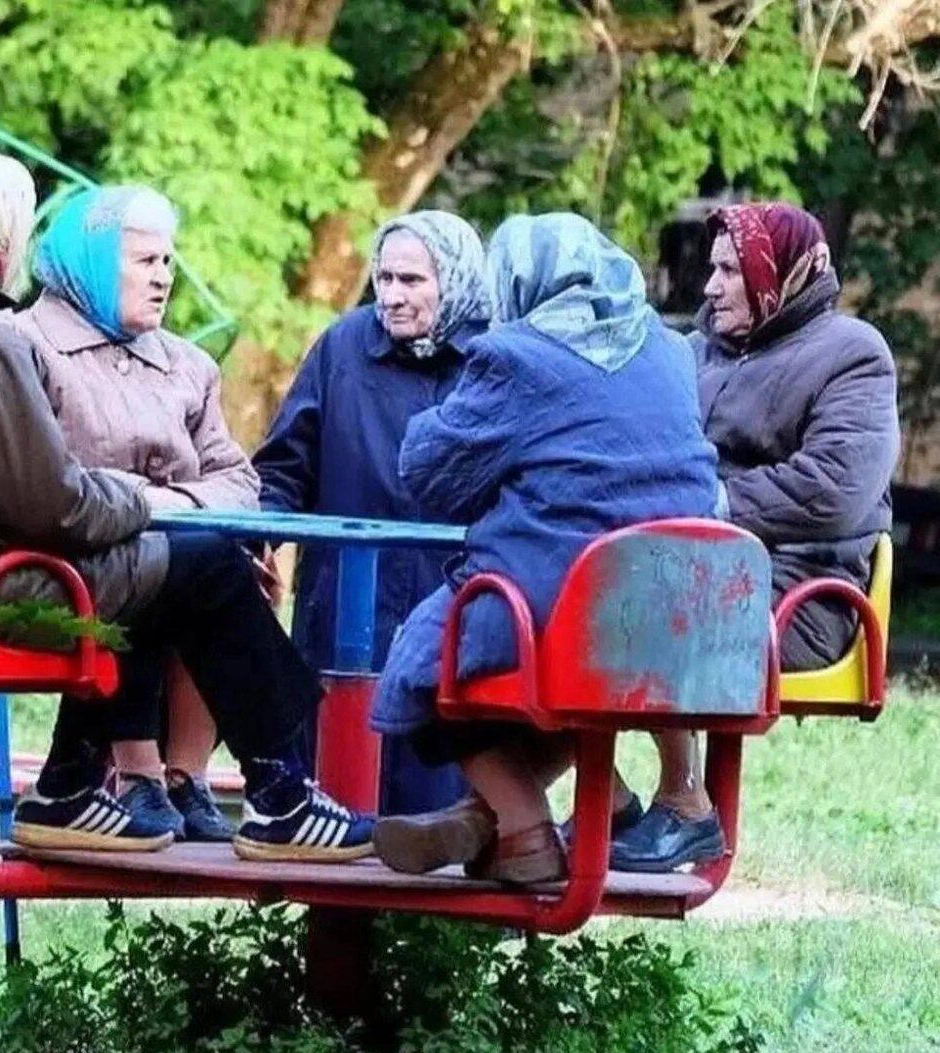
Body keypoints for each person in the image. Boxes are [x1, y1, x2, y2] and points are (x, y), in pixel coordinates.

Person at [0, 149, 374, 863]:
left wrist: (133, 515)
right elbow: (56, 509)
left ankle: (68, 785)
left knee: (163, 567)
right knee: (208, 566)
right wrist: (142, 503)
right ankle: (283, 794)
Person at [368, 212, 718, 885]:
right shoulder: (671, 350)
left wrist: (445, 424)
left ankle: (521, 822)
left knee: (426, 658)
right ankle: (552, 809)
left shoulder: (518, 355)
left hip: (559, 594)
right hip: (684, 597)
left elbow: (429, 473)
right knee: (545, 667)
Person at [610, 201, 900, 874]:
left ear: (782, 273)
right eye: (711, 270)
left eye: (730, 271)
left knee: (647, 603)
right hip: (691, 564)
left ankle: (685, 803)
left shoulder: (853, 355)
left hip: (804, 592)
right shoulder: (691, 352)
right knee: (561, 593)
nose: (710, 288)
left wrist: (708, 503)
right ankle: (609, 801)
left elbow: (835, 487)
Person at [3, 185, 259, 844]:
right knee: (156, 563)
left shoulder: (189, 365)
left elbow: (238, 479)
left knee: (224, 559)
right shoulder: (22, 345)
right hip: (57, 561)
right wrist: (145, 506)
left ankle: (187, 776)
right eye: (146, 261)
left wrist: (174, 504)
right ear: (91, 263)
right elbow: (47, 481)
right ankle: (139, 774)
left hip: (165, 544)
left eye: (168, 261)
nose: (163, 276)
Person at [254, 210, 490, 816]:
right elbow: (285, 467)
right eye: (384, 278)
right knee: (334, 801)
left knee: (436, 807)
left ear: (454, 281)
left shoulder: (493, 361)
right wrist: (255, 540)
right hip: (341, 611)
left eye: (412, 280)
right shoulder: (343, 347)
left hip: (450, 610)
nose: (392, 296)